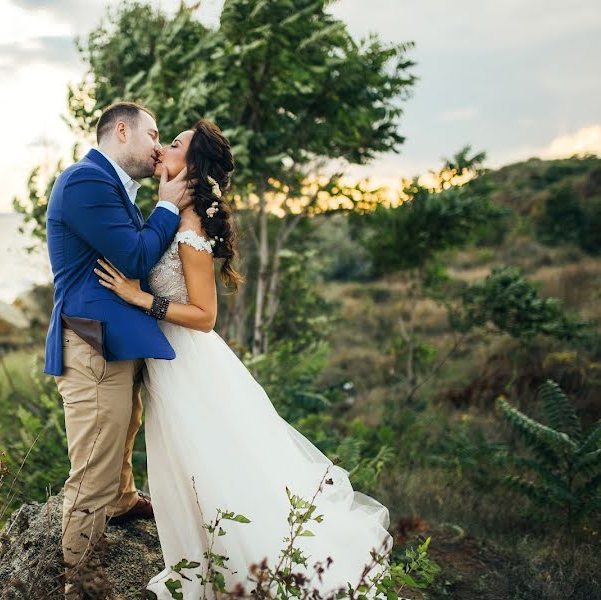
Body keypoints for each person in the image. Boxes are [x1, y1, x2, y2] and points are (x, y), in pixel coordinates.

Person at [94, 119, 394, 598]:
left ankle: (239, 569)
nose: (163, 146)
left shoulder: (190, 229)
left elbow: (205, 314)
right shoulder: (169, 212)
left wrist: (138, 298)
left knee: (209, 463)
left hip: (188, 362)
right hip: (167, 361)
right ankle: (203, 562)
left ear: (190, 166)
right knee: (184, 463)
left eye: (174, 143)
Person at [43, 101, 196, 599]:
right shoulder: (86, 181)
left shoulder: (114, 188)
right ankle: (81, 580)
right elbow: (133, 255)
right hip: (90, 344)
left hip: (111, 339)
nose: (158, 145)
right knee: (93, 462)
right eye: (154, 135)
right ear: (123, 131)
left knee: (123, 426)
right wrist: (169, 205)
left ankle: (124, 499)